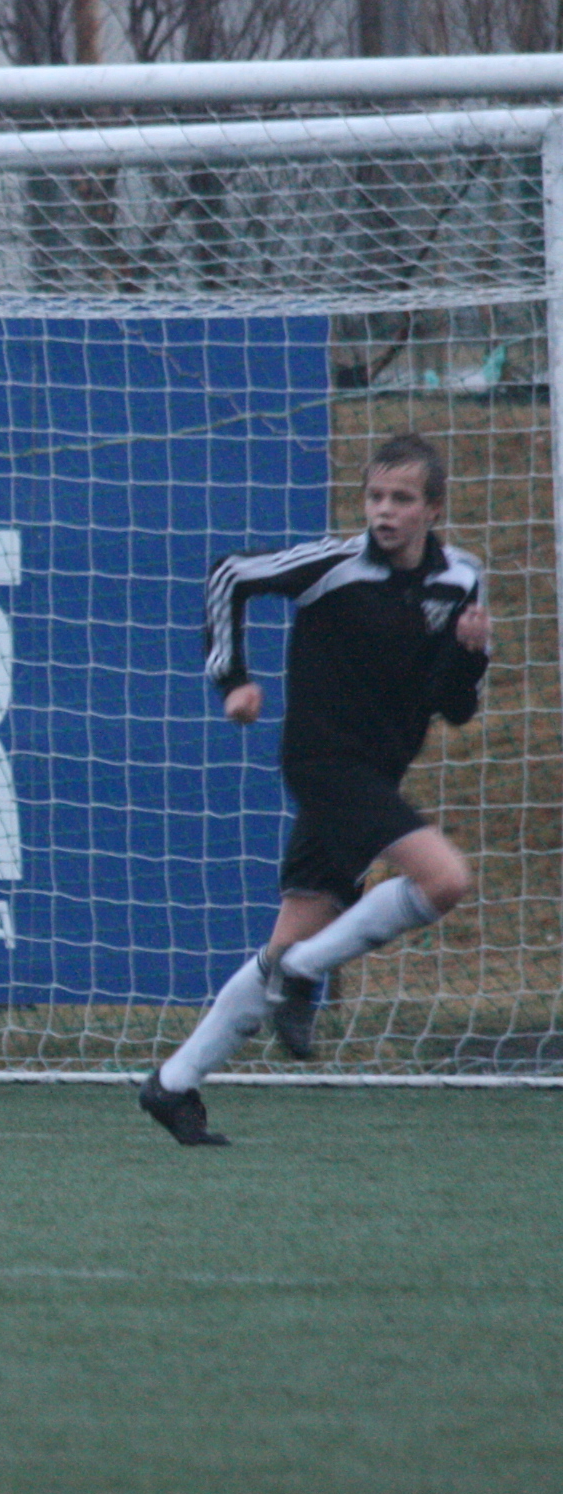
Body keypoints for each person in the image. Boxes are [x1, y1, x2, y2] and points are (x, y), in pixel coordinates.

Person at [139, 432, 489, 1147]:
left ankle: (172, 1085)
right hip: (323, 763)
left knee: (289, 939)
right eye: (375, 496)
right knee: (445, 879)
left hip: (377, 773)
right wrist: (232, 681)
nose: (384, 510)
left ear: (433, 509)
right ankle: (305, 973)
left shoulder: (460, 581)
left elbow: (455, 707)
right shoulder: (333, 565)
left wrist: (470, 656)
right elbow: (230, 575)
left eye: (402, 499)